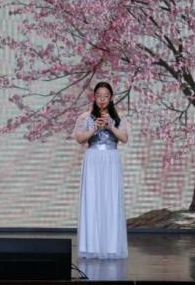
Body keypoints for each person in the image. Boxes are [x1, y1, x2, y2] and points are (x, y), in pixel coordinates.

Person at [73, 82, 129, 259]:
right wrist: (94, 128)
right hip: (93, 158)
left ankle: (111, 246)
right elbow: (79, 139)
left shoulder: (119, 117)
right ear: (94, 97)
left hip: (111, 159)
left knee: (111, 199)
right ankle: (92, 247)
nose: (102, 99)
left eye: (105, 96)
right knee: (92, 199)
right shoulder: (85, 117)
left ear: (111, 98)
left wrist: (111, 125)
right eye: (99, 96)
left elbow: (124, 138)